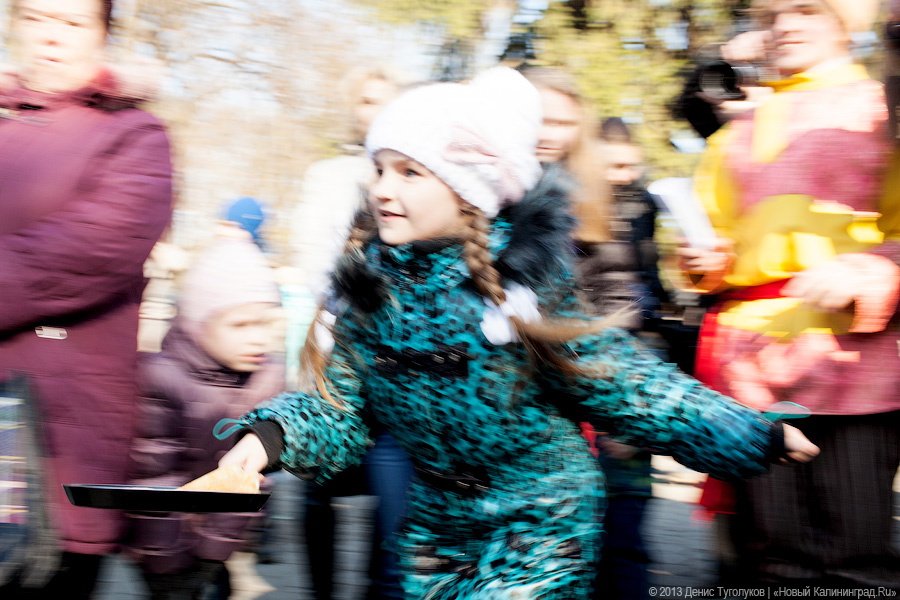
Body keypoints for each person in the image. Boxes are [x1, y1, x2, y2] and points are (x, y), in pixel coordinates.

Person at [217, 67, 818, 599]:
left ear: (468, 188)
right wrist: (261, 443)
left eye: (408, 172)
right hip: (437, 528)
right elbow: (338, 409)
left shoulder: (524, 289)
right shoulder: (371, 295)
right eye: (378, 168)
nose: (382, 188)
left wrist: (751, 433)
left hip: (542, 520)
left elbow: (629, 385)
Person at [679, 0, 900, 588]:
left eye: (807, 8)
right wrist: (707, 263)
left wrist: (874, 271)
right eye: (771, 13)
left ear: (846, 18)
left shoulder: (883, 108)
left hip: (854, 362)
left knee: (853, 560)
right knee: (768, 561)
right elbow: (720, 241)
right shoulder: (739, 130)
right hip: (752, 365)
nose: (785, 26)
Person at [0, 0, 173, 597]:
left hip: (54, 445)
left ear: (103, 35)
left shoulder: (134, 135)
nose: (52, 38)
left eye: (73, 23)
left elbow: (88, 250)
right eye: (37, 18)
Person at [289, 67, 413, 600]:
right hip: (339, 360)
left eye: (384, 101)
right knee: (317, 491)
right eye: (365, 100)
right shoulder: (333, 178)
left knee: (393, 516)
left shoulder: (421, 187)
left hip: (399, 391)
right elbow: (319, 275)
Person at [125, 236, 285, 599]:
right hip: (163, 549)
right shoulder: (162, 378)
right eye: (240, 325)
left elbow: (253, 480)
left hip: (219, 545)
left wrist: (214, 553)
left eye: (264, 323)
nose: (258, 339)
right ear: (199, 325)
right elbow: (154, 479)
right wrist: (167, 563)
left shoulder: (267, 378)